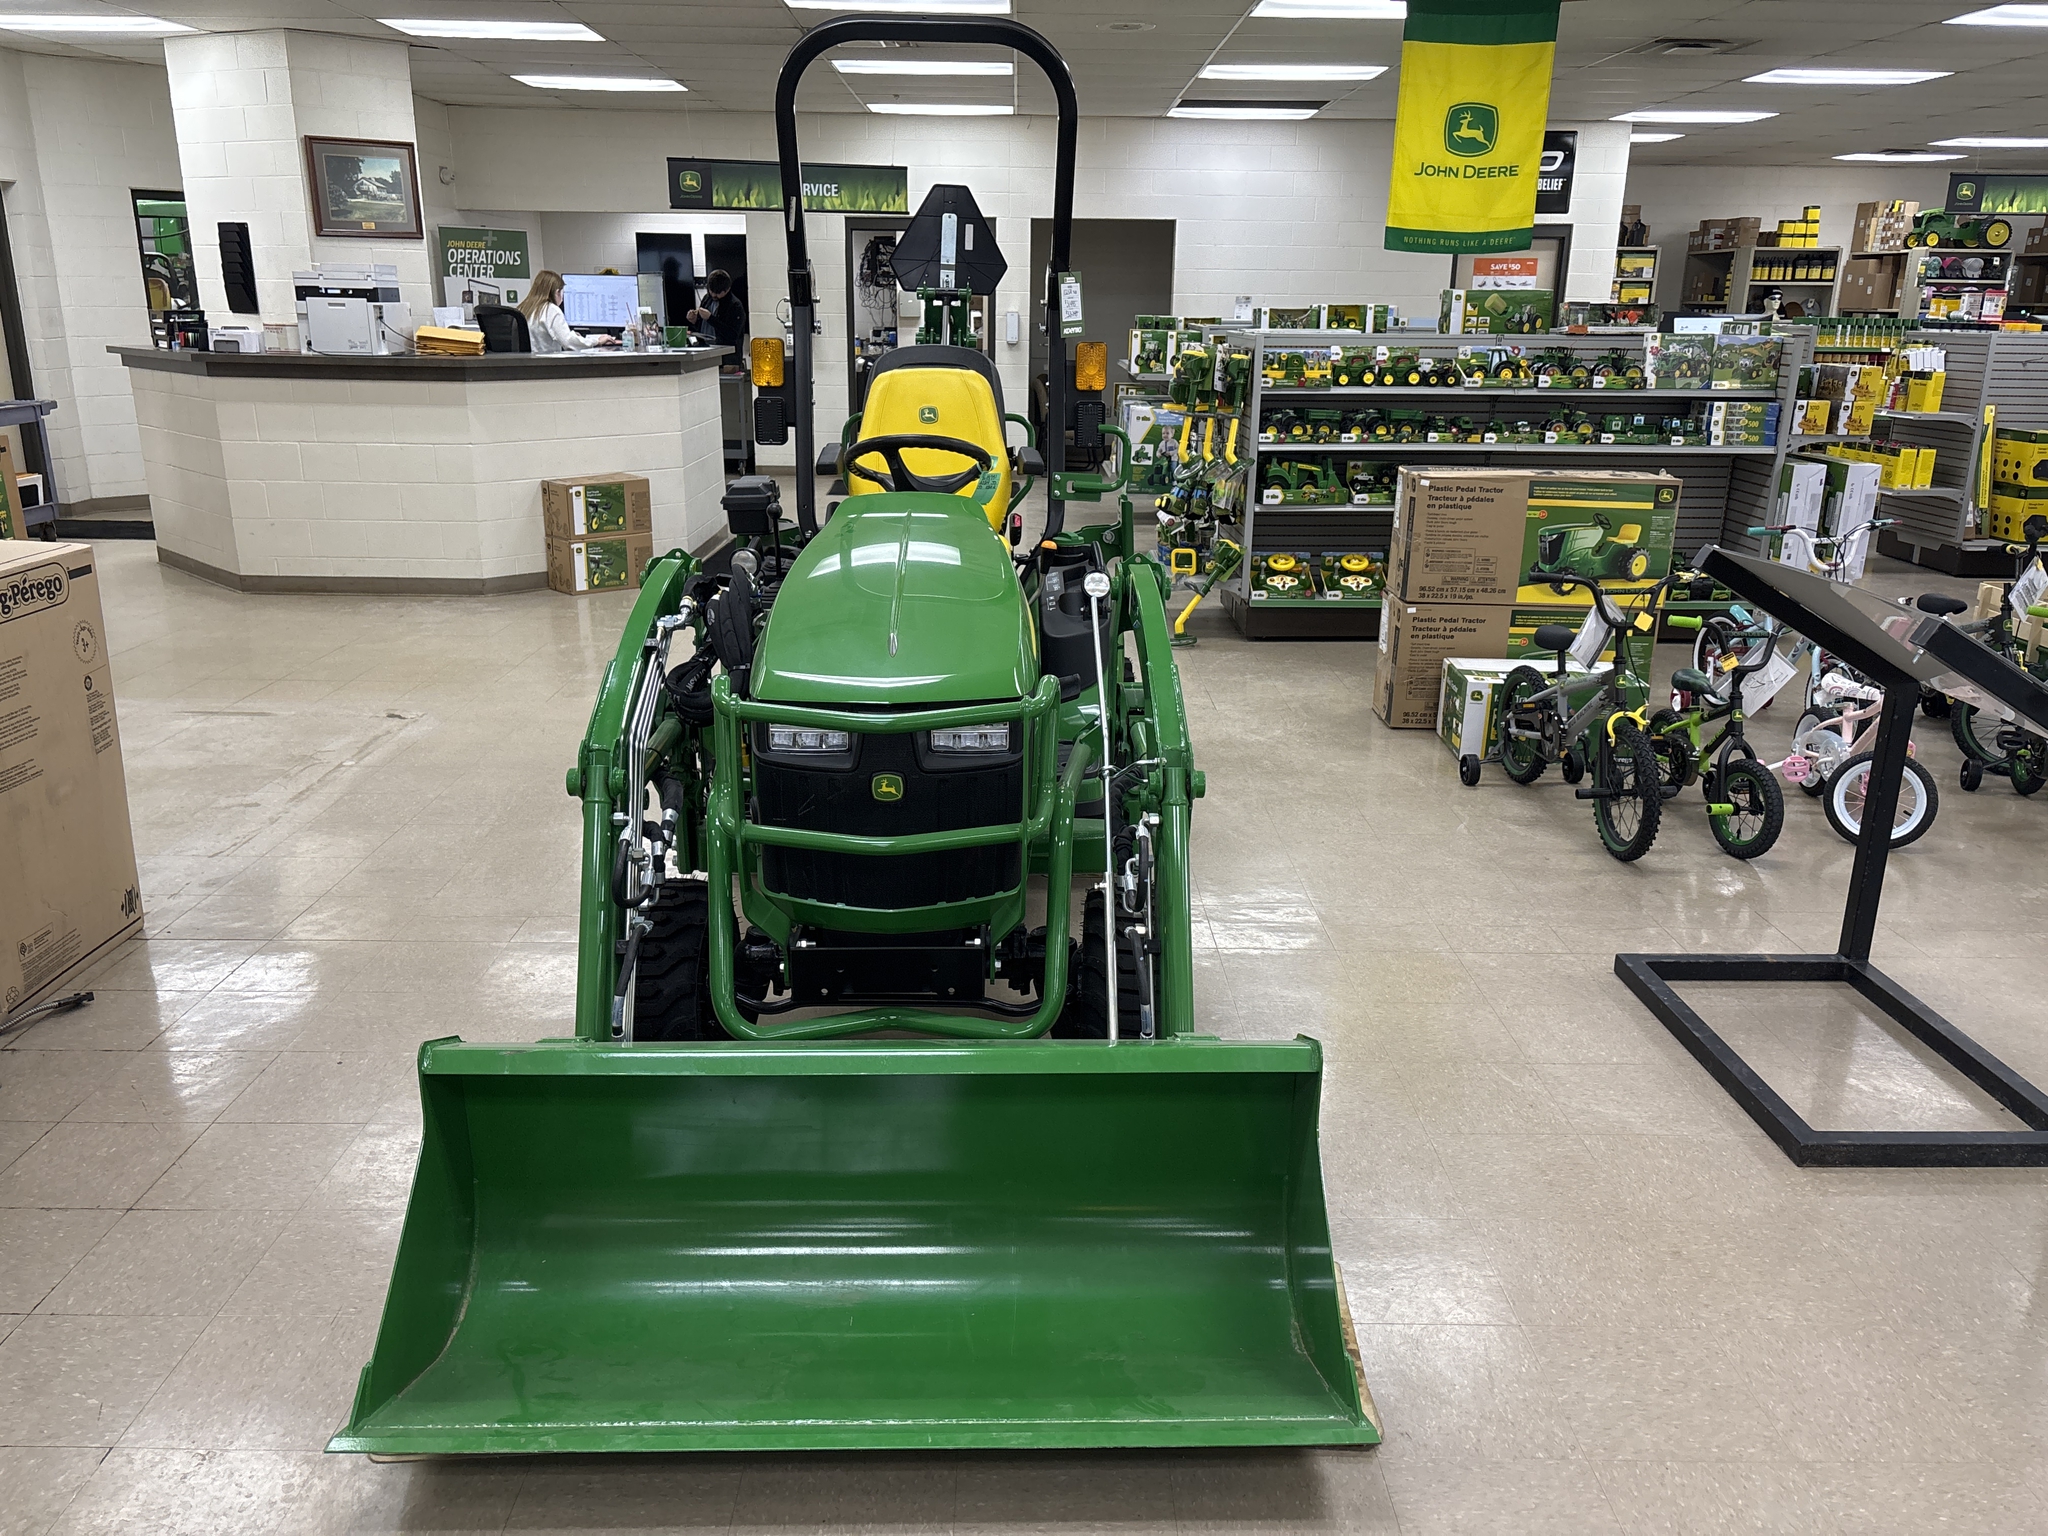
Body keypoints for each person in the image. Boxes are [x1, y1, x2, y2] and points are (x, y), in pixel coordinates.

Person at [517, 270, 619, 353]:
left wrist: (573, 336)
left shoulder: (523, 308)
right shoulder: (551, 310)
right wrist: (597, 341)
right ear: (557, 292)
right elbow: (568, 343)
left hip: (528, 364)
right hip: (548, 366)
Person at [687, 270, 747, 352]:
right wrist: (694, 320)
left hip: (726, 353)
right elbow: (702, 328)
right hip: (705, 349)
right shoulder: (707, 299)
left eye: (718, 293)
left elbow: (732, 335)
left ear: (727, 289)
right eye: (711, 291)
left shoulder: (735, 305)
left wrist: (710, 318)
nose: (714, 295)